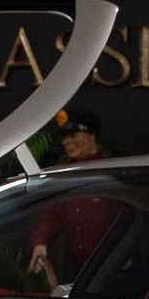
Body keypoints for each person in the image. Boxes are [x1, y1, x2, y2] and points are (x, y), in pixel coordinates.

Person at [28, 109, 115, 287]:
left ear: (92, 135)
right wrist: (41, 242)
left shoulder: (112, 171)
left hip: (116, 270)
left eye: (74, 134)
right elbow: (51, 217)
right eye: (64, 137)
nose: (67, 142)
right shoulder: (66, 175)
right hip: (80, 273)